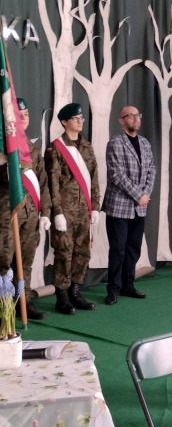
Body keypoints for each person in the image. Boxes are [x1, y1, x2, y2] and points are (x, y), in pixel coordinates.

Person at [44, 102, 101, 315]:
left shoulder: (86, 146)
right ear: (64, 122)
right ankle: (62, 297)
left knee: (82, 251)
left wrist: (95, 206)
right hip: (65, 211)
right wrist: (57, 211)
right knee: (63, 253)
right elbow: (52, 183)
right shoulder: (55, 148)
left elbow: (94, 178)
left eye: (81, 118)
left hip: (84, 210)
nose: (80, 121)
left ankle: (76, 293)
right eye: (75, 119)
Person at [102, 106, 156, 304]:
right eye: (130, 116)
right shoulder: (115, 143)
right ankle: (113, 289)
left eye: (137, 115)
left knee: (133, 248)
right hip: (119, 207)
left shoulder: (145, 143)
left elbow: (152, 169)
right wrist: (138, 195)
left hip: (140, 207)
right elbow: (116, 175)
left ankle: (128, 285)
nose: (135, 119)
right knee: (118, 249)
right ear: (121, 120)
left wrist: (146, 194)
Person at [13, 98, 52, 320]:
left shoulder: (33, 149)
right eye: (19, 114)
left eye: (26, 113)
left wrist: (45, 213)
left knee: (26, 262)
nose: (24, 117)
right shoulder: (5, 149)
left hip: (30, 217)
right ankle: (4, 305)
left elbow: (43, 183)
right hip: (7, 217)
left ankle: (23, 302)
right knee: (4, 263)